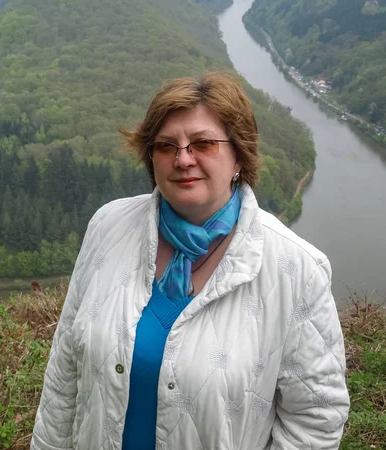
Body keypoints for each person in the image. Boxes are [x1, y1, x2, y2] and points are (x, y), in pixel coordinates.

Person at [31, 72, 349, 449]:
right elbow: (64, 374)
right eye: (166, 146)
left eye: (203, 143)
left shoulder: (296, 270)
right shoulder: (108, 226)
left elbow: (315, 420)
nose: (183, 159)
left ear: (238, 157)